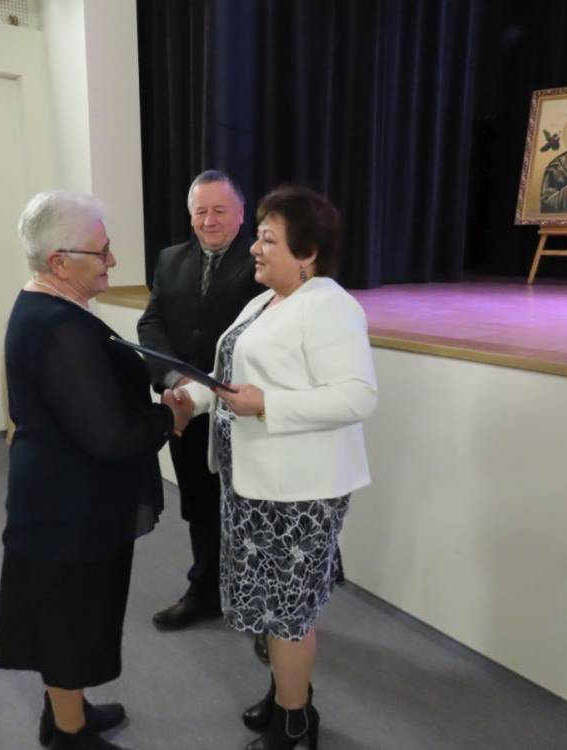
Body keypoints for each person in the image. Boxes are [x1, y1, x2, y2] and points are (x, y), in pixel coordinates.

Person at [167, 185, 378, 749]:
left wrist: (269, 405)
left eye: (267, 239)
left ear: (307, 252)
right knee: (269, 605)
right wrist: (194, 397)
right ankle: (291, 695)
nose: (254, 248)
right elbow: (232, 379)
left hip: (299, 494)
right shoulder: (267, 301)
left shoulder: (330, 305)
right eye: (258, 236)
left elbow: (358, 397)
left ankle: (294, 723)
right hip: (253, 485)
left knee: (287, 613)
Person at [0, 190, 190, 750]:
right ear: (60, 262)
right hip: (67, 507)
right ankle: (70, 735)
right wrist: (170, 417)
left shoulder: (54, 309)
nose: (113, 261)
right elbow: (108, 436)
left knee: (68, 617)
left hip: (65, 497)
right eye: (101, 251)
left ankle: (65, 711)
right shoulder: (57, 326)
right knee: (69, 621)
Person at [137, 170, 262, 632]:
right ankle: (204, 592)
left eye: (219, 211)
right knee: (200, 506)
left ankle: (261, 611)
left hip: (244, 410)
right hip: (185, 408)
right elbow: (151, 325)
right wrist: (177, 380)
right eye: (200, 211)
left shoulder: (262, 261)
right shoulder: (170, 259)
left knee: (252, 511)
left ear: (241, 214)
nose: (209, 220)